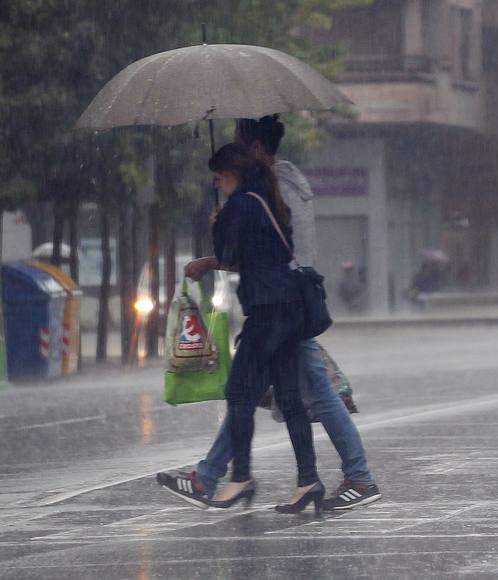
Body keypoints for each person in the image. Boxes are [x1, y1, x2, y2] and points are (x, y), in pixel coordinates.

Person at [157, 118, 381, 512]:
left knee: (263, 393)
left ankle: (355, 477)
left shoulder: (269, 190)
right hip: (289, 302)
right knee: (276, 394)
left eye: (240, 145)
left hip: (279, 305)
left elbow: (259, 254)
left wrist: (217, 244)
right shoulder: (277, 186)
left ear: (256, 150)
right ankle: (262, 479)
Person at [163, 142, 318, 515]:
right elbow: (262, 257)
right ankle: (308, 480)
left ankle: (240, 477)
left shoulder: (242, 204)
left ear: (230, 175)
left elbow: (231, 255)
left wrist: (218, 226)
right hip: (289, 308)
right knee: (290, 398)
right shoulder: (269, 199)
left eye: (218, 178)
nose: (217, 184)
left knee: (239, 394)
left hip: (266, 312)